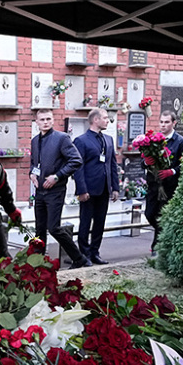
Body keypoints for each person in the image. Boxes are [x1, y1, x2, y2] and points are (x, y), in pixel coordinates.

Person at [29, 109, 91, 269]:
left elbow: (76, 160)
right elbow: (34, 163)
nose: (45, 122)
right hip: (40, 191)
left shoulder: (61, 138)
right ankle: (38, 263)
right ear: (36, 122)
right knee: (39, 229)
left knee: (54, 227)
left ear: (53, 120)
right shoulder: (35, 140)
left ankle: (80, 258)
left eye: (48, 119)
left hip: (55, 190)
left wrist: (57, 176)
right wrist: (32, 174)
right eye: (42, 119)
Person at [72, 108, 120, 265]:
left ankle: (95, 252)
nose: (108, 120)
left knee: (100, 222)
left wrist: (115, 187)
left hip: (104, 189)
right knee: (85, 222)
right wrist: (82, 190)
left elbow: (112, 164)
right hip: (89, 189)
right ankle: (83, 254)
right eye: (105, 118)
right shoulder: (81, 140)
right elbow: (78, 167)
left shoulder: (108, 139)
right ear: (95, 120)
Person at [144, 110, 183, 255]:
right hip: (154, 184)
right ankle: (163, 241)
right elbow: (143, 162)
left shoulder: (180, 142)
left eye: (166, 122)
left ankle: (157, 246)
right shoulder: (154, 140)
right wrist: (146, 162)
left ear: (174, 123)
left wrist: (173, 171)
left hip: (170, 186)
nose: (163, 125)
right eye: (161, 122)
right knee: (150, 214)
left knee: (163, 215)